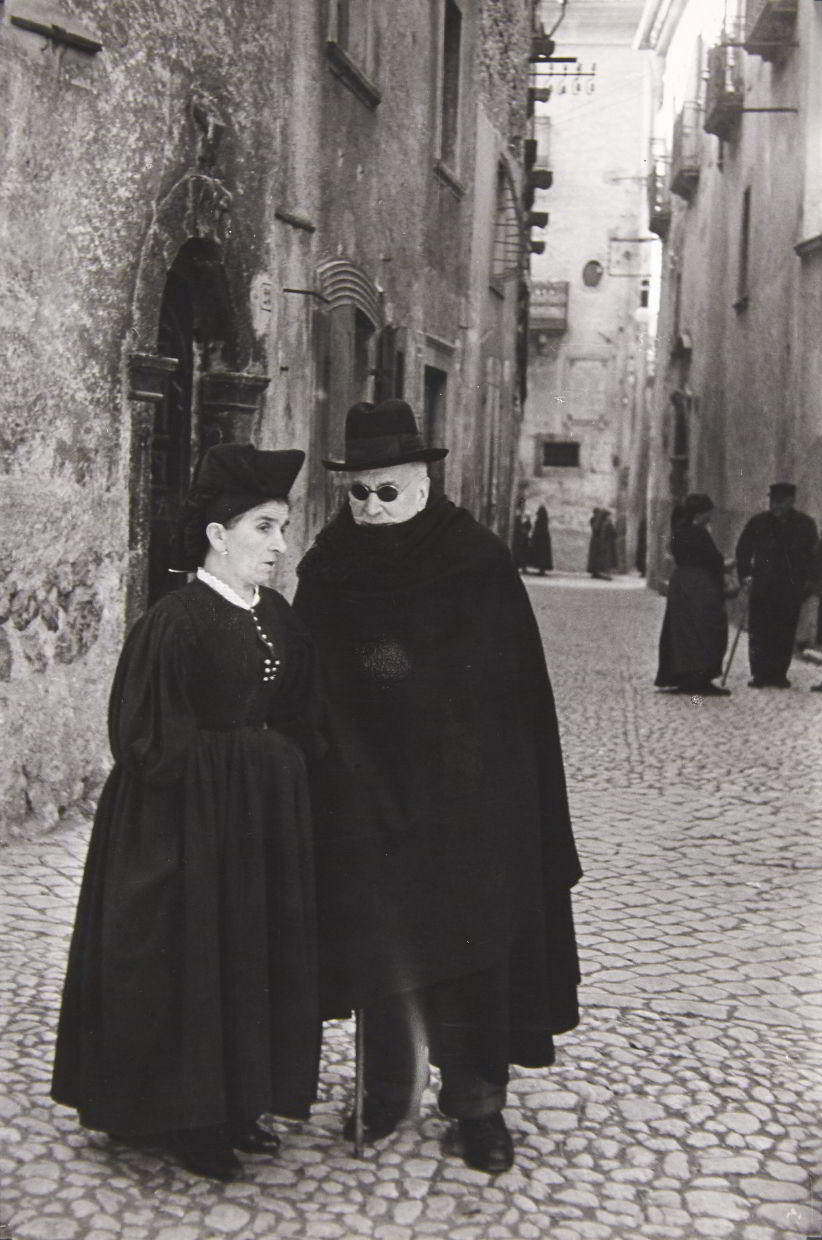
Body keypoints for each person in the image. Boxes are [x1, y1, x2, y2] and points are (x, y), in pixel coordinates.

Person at [294, 399, 581, 1176]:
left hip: (465, 801)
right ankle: (387, 1092)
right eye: (358, 492)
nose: (370, 506)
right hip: (365, 792)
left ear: (423, 484)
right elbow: (313, 674)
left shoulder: (474, 562)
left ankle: (477, 1105)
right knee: (381, 953)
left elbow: (512, 691)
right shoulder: (329, 565)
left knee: (472, 953)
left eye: (387, 490)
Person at [52, 444, 323, 1182]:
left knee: (246, 952)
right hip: (182, 821)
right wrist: (229, 768)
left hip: (255, 819)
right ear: (217, 534)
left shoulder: (278, 616)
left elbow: (299, 708)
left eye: (282, 527)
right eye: (264, 527)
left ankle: (239, 1102)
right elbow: (143, 739)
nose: (279, 543)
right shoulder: (174, 622)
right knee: (190, 956)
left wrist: (278, 765)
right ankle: (188, 1116)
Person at [735, 483, 818, 688]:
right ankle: (759, 673)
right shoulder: (758, 522)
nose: (775, 506)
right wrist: (745, 575)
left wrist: (809, 582)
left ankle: (779, 674)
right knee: (759, 630)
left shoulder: (805, 525)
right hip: (763, 585)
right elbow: (743, 550)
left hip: (791, 587)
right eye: (773, 501)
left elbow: (814, 557)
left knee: (785, 630)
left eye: (780, 502)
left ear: (791, 501)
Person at [655, 493, 730, 697]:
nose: (710, 517)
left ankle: (684, 678)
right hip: (700, 585)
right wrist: (727, 565)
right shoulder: (699, 533)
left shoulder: (679, 531)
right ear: (700, 513)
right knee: (704, 630)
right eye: (708, 513)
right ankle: (699, 681)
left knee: (683, 632)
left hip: (681, 584)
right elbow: (714, 560)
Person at [587, 508, 617, 580]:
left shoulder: (599, 522)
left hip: (599, 542)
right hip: (602, 543)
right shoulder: (603, 523)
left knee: (597, 558)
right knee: (603, 558)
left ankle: (597, 572)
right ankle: (601, 573)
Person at [530, 505, 553, 575]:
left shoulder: (539, 521)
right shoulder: (545, 521)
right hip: (544, 541)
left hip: (539, 541)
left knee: (540, 555)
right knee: (543, 556)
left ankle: (541, 569)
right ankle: (542, 569)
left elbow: (537, 530)